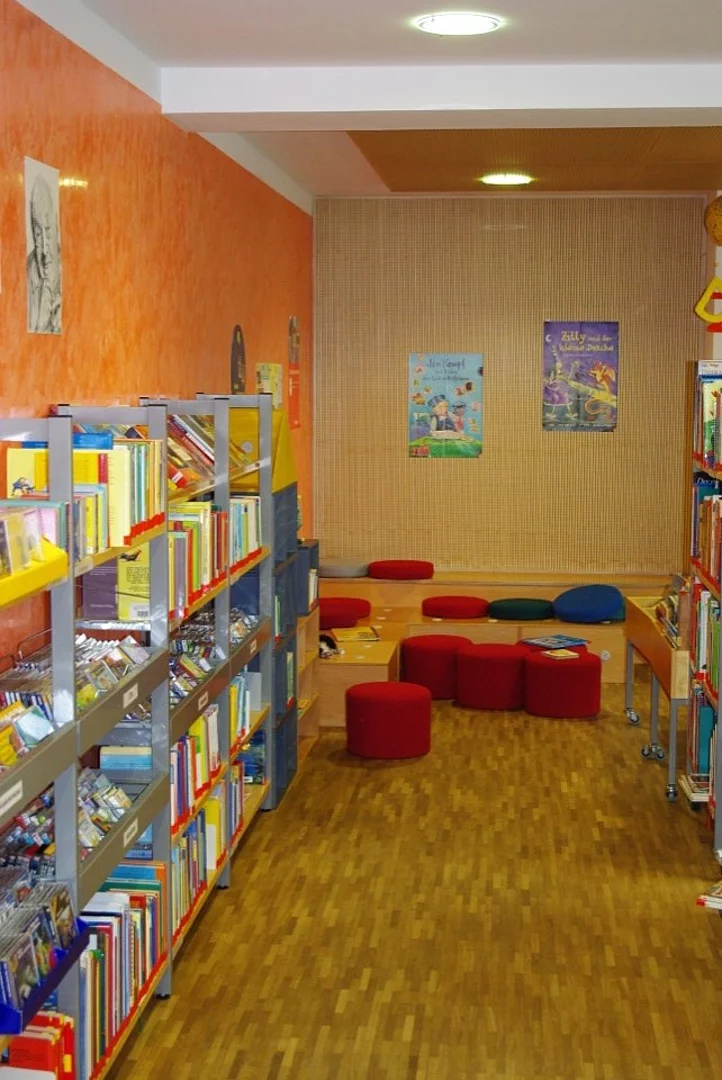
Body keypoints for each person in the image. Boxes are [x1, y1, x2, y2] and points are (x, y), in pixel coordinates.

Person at [27, 174, 61, 334]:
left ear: (56, 228)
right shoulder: (29, 269)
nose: (44, 252)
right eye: (38, 234)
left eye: (48, 230)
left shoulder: (68, 267)